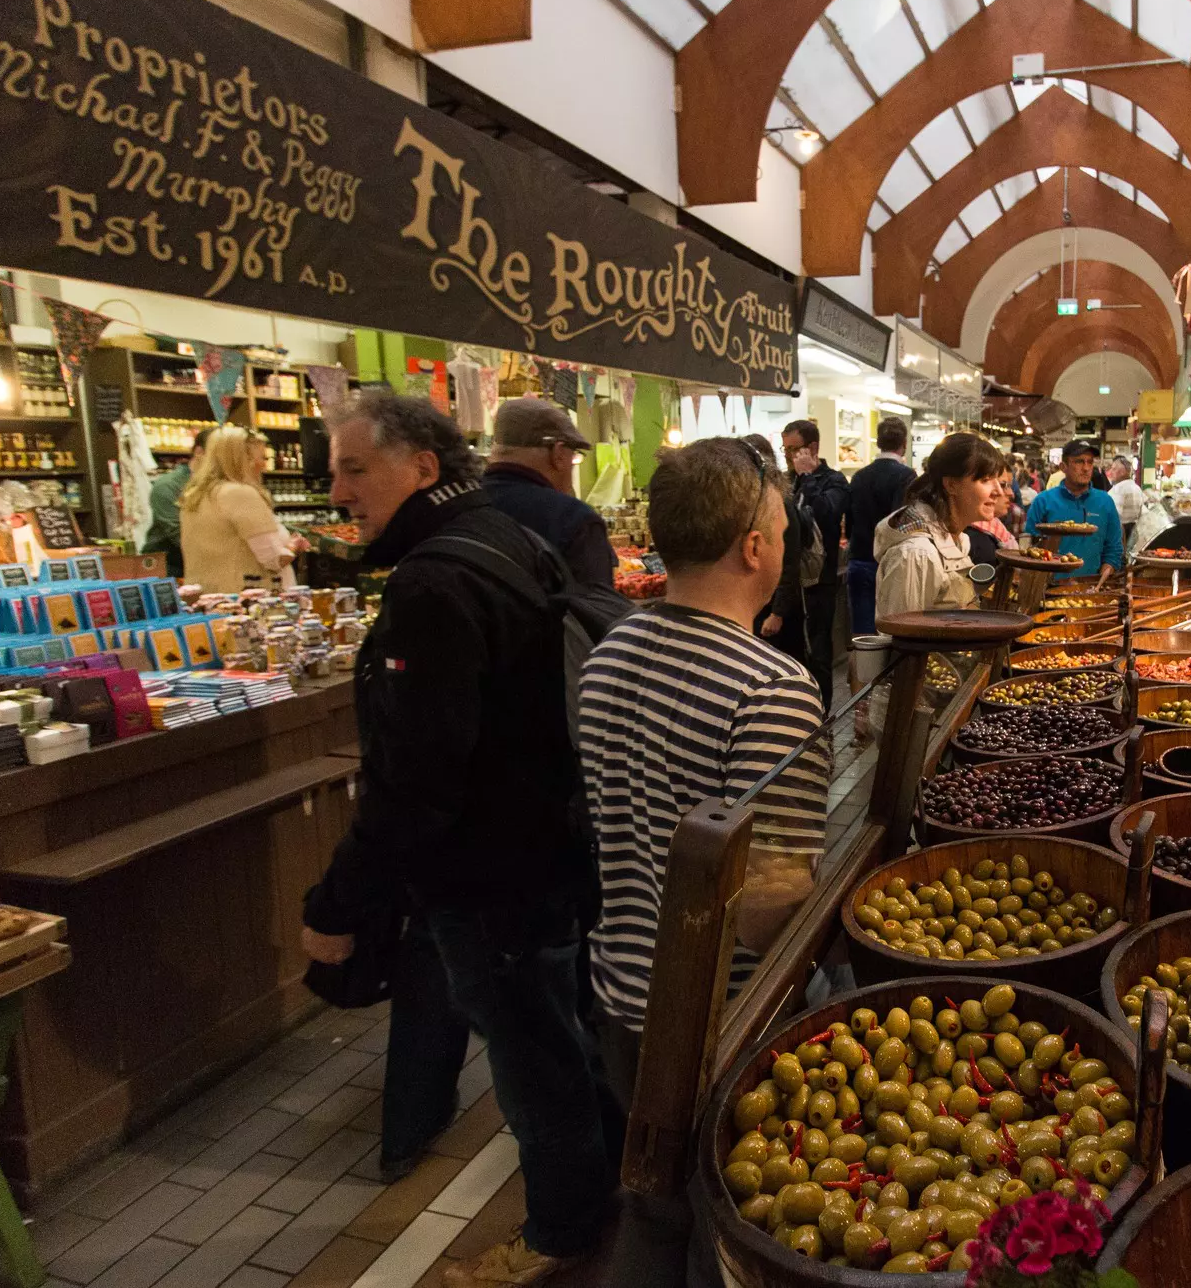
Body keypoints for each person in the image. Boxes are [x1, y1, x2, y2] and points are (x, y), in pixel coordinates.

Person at [299, 392, 613, 1286]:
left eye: (355, 468)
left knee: (534, 1064)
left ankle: (560, 1239)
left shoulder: (436, 580)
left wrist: (338, 903)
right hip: (547, 852)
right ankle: (601, 1198)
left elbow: (416, 778)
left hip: (490, 875)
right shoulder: (506, 542)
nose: (339, 490)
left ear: (423, 467)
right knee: (563, 1042)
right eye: (333, 471)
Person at [578, 440, 828, 1288]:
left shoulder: (607, 653)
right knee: (720, 1240)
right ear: (753, 548)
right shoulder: (771, 688)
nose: (786, 543)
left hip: (620, 994)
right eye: (781, 528)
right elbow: (768, 904)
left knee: (651, 1209)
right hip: (714, 1022)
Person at [480, 397, 615, 589]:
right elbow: (599, 613)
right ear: (558, 453)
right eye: (574, 456)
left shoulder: (458, 505)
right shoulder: (574, 520)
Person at [876, 433, 1008, 620]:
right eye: (985, 480)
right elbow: (902, 638)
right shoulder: (916, 554)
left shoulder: (960, 538)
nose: (999, 492)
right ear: (951, 485)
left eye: (998, 481)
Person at [179, 427, 303, 593]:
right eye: (261, 458)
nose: (264, 465)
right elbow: (274, 560)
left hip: (207, 598)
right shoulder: (240, 494)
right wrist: (294, 546)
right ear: (243, 459)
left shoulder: (195, 495)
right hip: (245, 602)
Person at [780, 419, 848, 708]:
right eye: (785, 450)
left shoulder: (834, 480)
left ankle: (823, 714)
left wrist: (807, 478)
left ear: (813, 447)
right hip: (788, 582)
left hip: (819, 581)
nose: (789, 456)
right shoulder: (785, 481)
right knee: (790, 651)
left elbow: (828, 514)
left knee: (818, 651)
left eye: (794, 450)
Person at [843, 417, 914, 638]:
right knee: (892, 630)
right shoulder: (906, 476)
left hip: (859, 558)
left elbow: (850, 519)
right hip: (890, 562)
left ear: (878, 442)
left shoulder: (859, 476)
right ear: (904, 443)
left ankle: (863, 673)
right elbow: (901, 522)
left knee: (863, 635)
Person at [745, 433, 809, 666]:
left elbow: (789, 563)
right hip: (764, 604)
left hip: (780, 609)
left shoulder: (780, 504)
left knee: (786, 663)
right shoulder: (758, 502)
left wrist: (778, 613)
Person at [1025, 438, 1124, 584]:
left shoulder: (1105, 502)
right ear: (1063, 466)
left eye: (1090, 462)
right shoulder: (1044, 501)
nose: (1086, 468)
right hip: (1049, 588)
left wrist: (1106, 571)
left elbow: (1114, 547)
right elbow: (1030, 546)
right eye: (1079, 462)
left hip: (1090, 588)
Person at [143, 427, 211, 579]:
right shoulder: (168, 486)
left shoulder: (217, 486)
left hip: (201, 569)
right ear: (199, 452)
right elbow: (180, 535)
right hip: (169, 570)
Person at [964, 472, 1017, 569]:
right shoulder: (975, 538)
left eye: (1009, 485)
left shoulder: (996, 528)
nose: (1010, 493)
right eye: (1003, 485)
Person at [1107, 456, 1145, 554]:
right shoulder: (1137, 488)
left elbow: (1114, 516)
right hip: (1133, 533)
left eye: (1114, 469)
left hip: (1120, 535)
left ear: (1123, 472)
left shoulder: (1118, 489)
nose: (1111, 472)